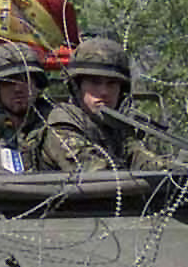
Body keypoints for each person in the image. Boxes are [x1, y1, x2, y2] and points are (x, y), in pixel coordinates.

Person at [29, 35, 171, 172]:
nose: (104, 92)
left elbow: (137, 156)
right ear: (77, 87)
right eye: (95, 82)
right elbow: (94, 171)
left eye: (112, 84)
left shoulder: (114, 123)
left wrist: (167, 168)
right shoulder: (62, 124)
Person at [0, 42, 53, 173]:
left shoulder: (54, 126)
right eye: (9, 82)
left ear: (36, 84)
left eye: (25, 80)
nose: (18, 88)